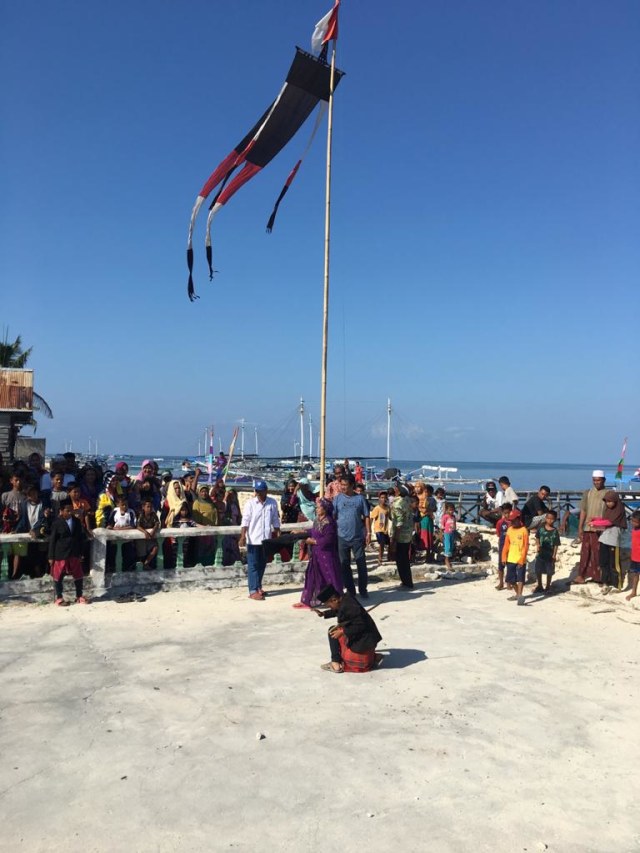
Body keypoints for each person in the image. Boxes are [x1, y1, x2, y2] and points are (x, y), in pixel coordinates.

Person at [315, 583, 382, 673]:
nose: (329, 607)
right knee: (339, 630)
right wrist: (324, 614)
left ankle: (335, 663)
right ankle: (373, 657)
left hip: (363, 644)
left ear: (334, 600)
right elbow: (338, 610)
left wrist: (343, 632)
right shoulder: (346, 600)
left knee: (332, 631)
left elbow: (361, 625)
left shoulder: (348, 606)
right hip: (370, 641)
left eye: (329, 605)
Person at [295, 498, 343, 609]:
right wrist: (302, 532)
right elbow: (313, 531)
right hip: (316, 555)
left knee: (330, 578)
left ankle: (337, 601)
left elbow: (329, 539)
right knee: (313, 576)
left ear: (325, 509)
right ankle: (308, 601)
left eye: (319, 507)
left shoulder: (329, 522)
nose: (316, 508)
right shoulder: (317, 520)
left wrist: (314, 542)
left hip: (327, 556)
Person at [239, 480, 280, 601]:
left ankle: (258, 587)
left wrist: (278, 532)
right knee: (253, 565)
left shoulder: (272, 503)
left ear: (266, 490)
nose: (258, 493)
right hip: (253, 539)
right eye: (256, 491)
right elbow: (245, 521)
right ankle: (252, 590)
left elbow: (275, 519)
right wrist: (242, 536)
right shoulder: (250, 504)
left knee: (262, 564)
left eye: (260, 491)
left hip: (266, 539)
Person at [333, 475, 371, 598]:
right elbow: (333, 516)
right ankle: (350, 591)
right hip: (341, 537)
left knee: (361, 564)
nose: (343, 487)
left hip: (357, 537)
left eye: (345, 485)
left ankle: (363, 590)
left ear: (352, 486)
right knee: (344, 565)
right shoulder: (337, 499)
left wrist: (368, 533)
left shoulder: (360, 499)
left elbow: (366, 516)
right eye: (341, 485)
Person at [48, 499, 88, 606]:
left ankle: (79, 596)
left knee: (78, 575)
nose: (70, 512)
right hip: (60, 553)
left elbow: (80, 539)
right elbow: (52, 540)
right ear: (61, 511)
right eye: (67, 510)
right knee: (58, 576)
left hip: (74, 552)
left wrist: (81, 553)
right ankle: (59, 598)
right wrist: (51, 556)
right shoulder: (56, 523)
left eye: (71, 510)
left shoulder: (77, 521)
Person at [574, 470, 608, 585]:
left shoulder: (608, 493)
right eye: (594, 480)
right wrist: (580, 527)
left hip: (600, 529)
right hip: (587, 528)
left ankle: (598, 577)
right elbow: (583, 510)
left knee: (598, 553)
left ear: (603, 480)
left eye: (598, 480)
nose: (596, 482)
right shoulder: (588, 493)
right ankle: (581, 576)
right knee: (585, 553)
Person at [598, 490, 627, 592]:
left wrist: (596, 523)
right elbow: (604, 521)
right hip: (604, 538)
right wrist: (594, 520)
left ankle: (616, 584)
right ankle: (605, 582)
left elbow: (609, 522)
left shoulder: (619, 508)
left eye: (610, 501)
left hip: (613, 540)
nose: (608, 503)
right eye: (606, 501)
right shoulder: (607, 510)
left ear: (615, 500)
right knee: (603, 561)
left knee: (614, 563)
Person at [501, 510, 529, 605]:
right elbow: (506, 545)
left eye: (514, 520)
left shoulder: (524, 530)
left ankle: (520, 595)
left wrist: (522, 559)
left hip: (520, 558)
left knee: (520, 578)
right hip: (510, 558)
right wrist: (503, 557)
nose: (512, 522)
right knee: (511, 579)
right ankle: (517, 594)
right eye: (511, 521)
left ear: (518, 519)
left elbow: (525, 546)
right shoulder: (509, 530)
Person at [389, 484, 414, 588]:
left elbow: (399, 523)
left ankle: (406, 582)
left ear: (399, 492)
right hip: (408, 534)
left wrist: (394, 538)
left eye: (396, 488)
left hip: (401, 535)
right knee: (405, 558)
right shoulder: (407, 500)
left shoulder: (397, 504)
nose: (394, 489)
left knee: (400, 559)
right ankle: (408, 581)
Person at [534, 510, 561, 593]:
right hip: (540, 554)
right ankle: (539, 585)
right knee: (538, 570)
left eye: (552, 519)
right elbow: (537, 537)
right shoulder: (541, 529)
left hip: (550, 555)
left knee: (549, 571)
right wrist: (538, 545)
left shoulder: (555, 531)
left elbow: (556, 544)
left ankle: (548, 586)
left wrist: (554, 555)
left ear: (555, 520)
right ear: (545, 518)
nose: (550, 520)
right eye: (548, 518)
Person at [136, 497, 160, 569]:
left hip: (150, 537)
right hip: (142, 537)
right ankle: (141, 566)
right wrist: (145, 532)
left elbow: (157, 523)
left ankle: (146, 563)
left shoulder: (153, 514)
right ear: (143, 507)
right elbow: (138, 526)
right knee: (141, 553)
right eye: (148, 507)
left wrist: (153, 531)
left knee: (155, 548)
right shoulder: (141, 514)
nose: (149, 508)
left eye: (151, 507)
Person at [370, 491, 391, 565]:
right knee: (381, 543)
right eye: (382, 497)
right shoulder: (377, 508)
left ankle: (389, 556)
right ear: (379, 499)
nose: (383, 499)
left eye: (385, 498)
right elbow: (371, 518)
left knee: (389, 543)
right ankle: (380, 558)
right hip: (378, 529)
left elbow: (390, 517)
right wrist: (369, 530)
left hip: (385, 530)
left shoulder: (387, 508)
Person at [625, 511, 640, 601]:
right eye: (632, 521)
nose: (633, 523)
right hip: (635, 557)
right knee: (635, 575)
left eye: (636, 522)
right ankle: (634, 592)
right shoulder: (634, 529)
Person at [441, 502, 456, 571]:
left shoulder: (453, 517)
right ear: (447, 510)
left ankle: (449, 558)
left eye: (452, 510)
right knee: (448, 546)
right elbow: (442, 525)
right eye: (450, 510)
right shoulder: (445, 516)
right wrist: (442, 533)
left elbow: (454, 524)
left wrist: (455, 530)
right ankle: (446, 560)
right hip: (446, 533)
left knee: (452, 546)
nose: (451, 511)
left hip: (452, 533)